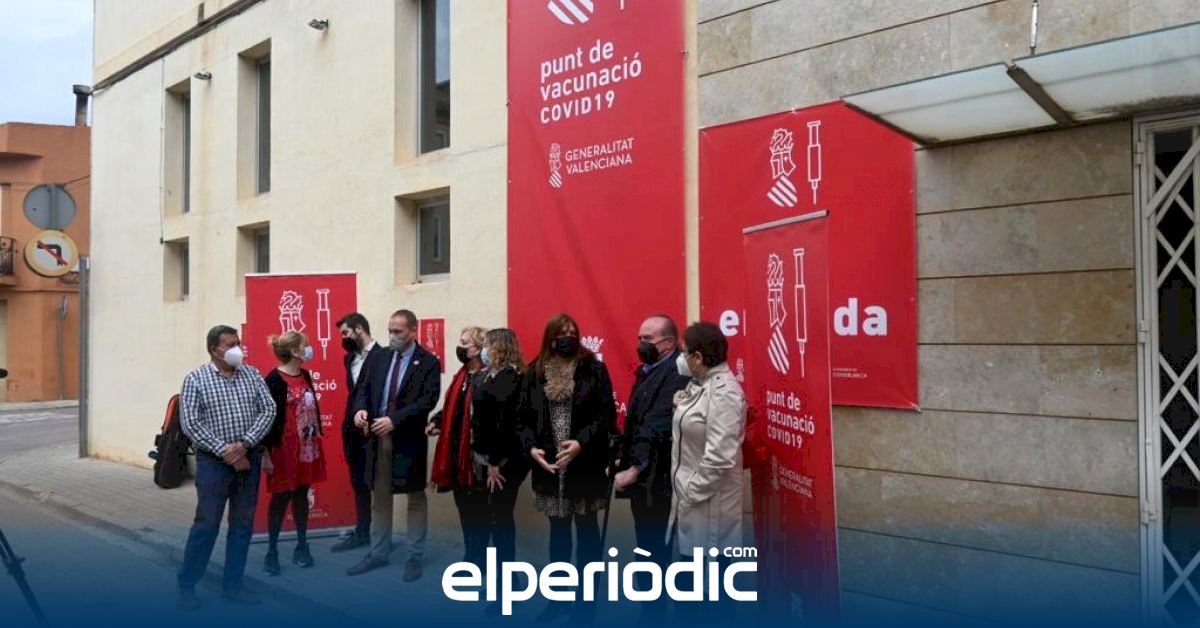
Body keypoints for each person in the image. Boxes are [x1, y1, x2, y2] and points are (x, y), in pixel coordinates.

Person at [520, 313, 615, 624]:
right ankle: (557, 599)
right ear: (551, 338)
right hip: (550, 468)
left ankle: (585, 605)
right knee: (558, 537)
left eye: (573, 332)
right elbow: (521, 419)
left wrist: (581, 443)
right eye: (562, 333)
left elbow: (605, 414)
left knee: (587, 535)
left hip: (584, 465)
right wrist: (531, 448)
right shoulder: (534, 371)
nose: (568, 337)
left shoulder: (593, 368)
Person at [176, 325, 276, 610]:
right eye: (230, 344)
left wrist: (244, 444)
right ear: (214, 350)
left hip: (248, 458)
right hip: (213, 463)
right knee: (207, 524)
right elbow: (191, 424)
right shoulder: (196, 379)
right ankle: (187, 584)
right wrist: (226, 451)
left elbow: (268, 409)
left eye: (238, 343)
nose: (237, 349)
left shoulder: (252, 374)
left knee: (242, 525)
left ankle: (233, 585)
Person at [347, 309, 442, 581]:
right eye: (390, 330)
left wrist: (395, 420)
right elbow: (363, 390)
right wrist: (360, 410)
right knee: (380, 496)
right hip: (376, 437)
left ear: (413, 330)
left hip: (407, 438)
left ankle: (414, 556)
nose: (392, 336)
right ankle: (378, 552)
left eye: (398, 331)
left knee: (415, 497)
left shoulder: (428, 362)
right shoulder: (380, 356)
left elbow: (427, 400)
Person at [611, 315, 690, 625]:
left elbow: (658, 424)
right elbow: (636, 421)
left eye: (647, 339)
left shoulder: (678, 372)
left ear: (668, 343)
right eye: (639, 338)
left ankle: (662, 613)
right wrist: (620, 456)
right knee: (646, 547)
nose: (641, 344)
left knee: (660, 549)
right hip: (645, 481)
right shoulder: (649, 370)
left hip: (661, 478)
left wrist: (635, 468)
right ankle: (650, 609)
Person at [667, 322, 747, 622]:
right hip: (691, 504)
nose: (681, 358)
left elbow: (719, 458)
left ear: (698, 357)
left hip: (710, 508)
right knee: (688, 590)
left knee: (711, 595)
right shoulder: (699, 384)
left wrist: (690, 491)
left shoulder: (725, 393)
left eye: (684, 352)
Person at [471, 328, 531, 617]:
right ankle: (503, 581)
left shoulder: (512, 379)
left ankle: (508, 591)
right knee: (494, 521)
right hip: (489, 459)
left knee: (500, 522)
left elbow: (505, 425)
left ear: (499, 348)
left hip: (505, 462)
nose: (482, 350)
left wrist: (495, 462)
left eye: (486, 345)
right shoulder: (487, 376)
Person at [261, 331, 327, 576]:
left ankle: (302, 545)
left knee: (301, 494)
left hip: (306, 447)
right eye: (305, 345)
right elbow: (266, 419)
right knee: (280, 497)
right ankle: (271, 551)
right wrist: (265, 453)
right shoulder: (273, 379)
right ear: (294, 351)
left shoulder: (305, 375)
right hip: (283, 450)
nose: (309, 348)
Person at [428, 326, 488, 565]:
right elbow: (452, 409)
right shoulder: (461, 376)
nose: (460, 347)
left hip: (476, 457)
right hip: (456, 454)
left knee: (479, 511)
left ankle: (481, 559)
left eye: (465, 343)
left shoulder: (487, 377)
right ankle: (471, 556)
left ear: (479, 349)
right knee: (464, 507)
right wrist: (437, 421)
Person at [332, 313, 384, 553]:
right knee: (358, 481)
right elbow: (355, 393)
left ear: (359, 328)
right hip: (352, 430)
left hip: (375, 429)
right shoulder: (349, 358)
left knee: (378, 483)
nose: (343, 338)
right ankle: (363, 531)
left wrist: (369, 417)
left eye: (345, 332)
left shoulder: (383, 356)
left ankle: (381, 535)